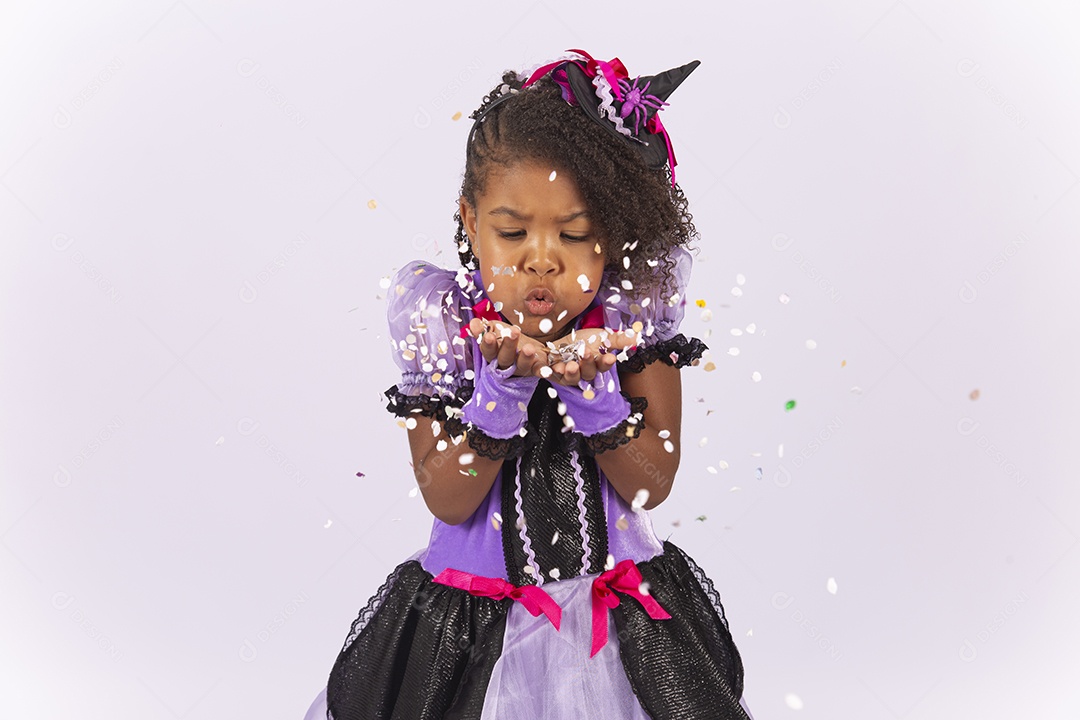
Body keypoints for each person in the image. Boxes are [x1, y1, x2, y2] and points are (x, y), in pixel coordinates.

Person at [303, 50, 755, 720]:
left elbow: (650, 483)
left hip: (617, 621)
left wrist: (595, 395)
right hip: (472, 630)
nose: (540, 258)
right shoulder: (446, 331)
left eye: (575, 235)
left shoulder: (633, 325)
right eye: (511, 231)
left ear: (612, 240)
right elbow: (449, 501)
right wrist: (501, 393)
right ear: (469, 221)